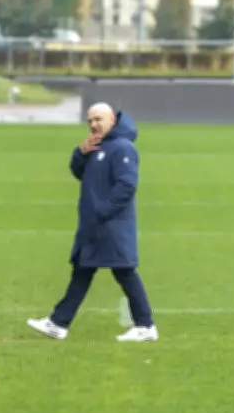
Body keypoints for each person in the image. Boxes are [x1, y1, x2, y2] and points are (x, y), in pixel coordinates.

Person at [27, 103, 157, 342]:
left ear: (112, 121)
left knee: (125, 272)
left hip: (111, 226)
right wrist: (80, 153)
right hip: (94, 224)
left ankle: (146, 326)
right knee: (83, 270)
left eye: (99, 119)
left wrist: (103, 211)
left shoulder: (122, 148)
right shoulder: (98, 146)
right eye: (90, 121)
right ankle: (58, 323)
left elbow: (127, 184)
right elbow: (80, 173)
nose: (94, 125)